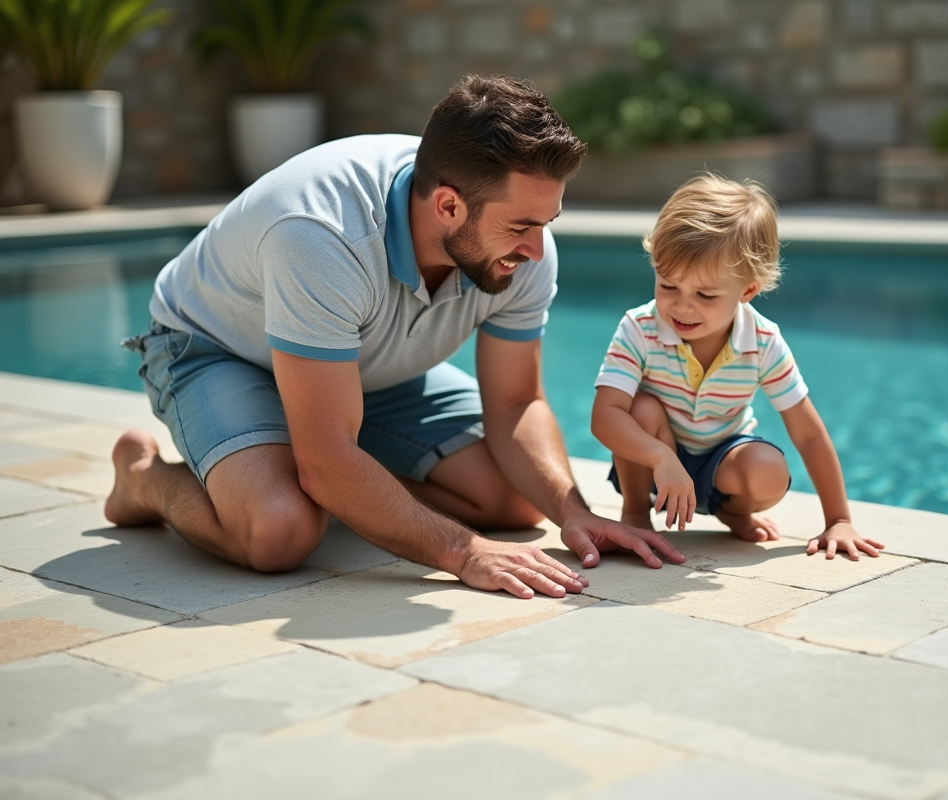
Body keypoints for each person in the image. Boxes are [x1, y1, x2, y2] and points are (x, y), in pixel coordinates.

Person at [105, 74, 686, 599]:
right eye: (520, 227)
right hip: (218, 350)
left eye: (546, 224)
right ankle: (142, 478)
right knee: (280, 531)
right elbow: (328, 459)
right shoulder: (321, 234)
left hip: (361, 365)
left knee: (511, 501)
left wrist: (571, 513)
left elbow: (515, 402)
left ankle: (345, 484)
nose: (536, 250)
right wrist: (462, 550)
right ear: (449, 205)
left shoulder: (522, 249)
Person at [591, 174, 884, 559]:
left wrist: (839, 520)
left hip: (721, 459)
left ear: (747, 290)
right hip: (652, 462)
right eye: (667, 286)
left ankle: (732, 511)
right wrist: (660, 457)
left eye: (705, 294)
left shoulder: (762, 340)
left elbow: (809, 434)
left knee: (768, 468)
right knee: (640, 408)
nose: (681, 305)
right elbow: (604, 417)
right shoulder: (639, 328)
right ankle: (635, 513)